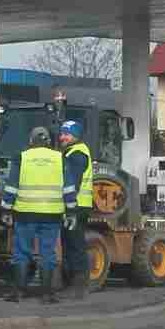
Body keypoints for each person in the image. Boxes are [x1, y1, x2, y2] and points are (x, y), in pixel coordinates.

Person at [4, 124, 64, 303]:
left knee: (22, 251)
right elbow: (68, 187)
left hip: (25, 214)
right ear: (48, 141)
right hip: (52, 215)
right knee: (48, 253)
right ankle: (46, 294)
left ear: (31, 140)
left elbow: (12, 186)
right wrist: (72, 211)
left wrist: (6, 208)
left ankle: (19, 293)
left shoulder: (22, 157)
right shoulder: (59, 158)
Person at [57, 119, 94, 298]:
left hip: (76, 206)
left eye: (66, 134)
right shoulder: (71, 152)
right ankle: (72, 284)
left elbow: (72, 183)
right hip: (75, 205)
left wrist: (70, 207)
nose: (62, 137)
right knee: (70, 244)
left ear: (75, 136)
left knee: (75, 245)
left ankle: (78, 286)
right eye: (61, 133)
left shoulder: (77, 155)